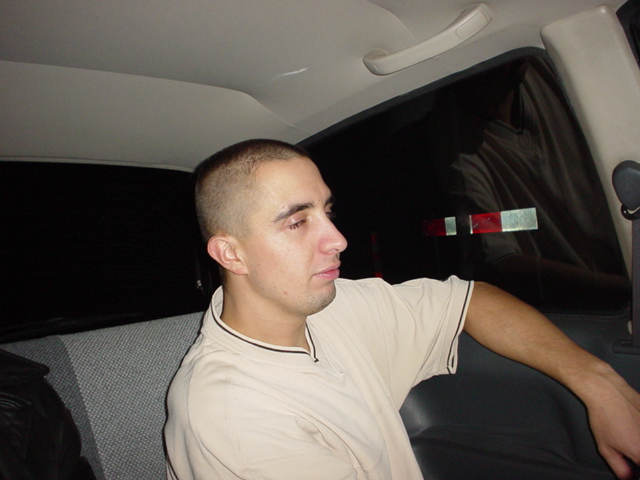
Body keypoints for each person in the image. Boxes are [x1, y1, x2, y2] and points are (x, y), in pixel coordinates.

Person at [164, 139, 640, 480]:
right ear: (231, 254)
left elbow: (470, 300)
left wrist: (599, 382)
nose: (338, 239)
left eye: (327, 212)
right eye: (297, 222)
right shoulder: (235, 416)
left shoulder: (333, 308)